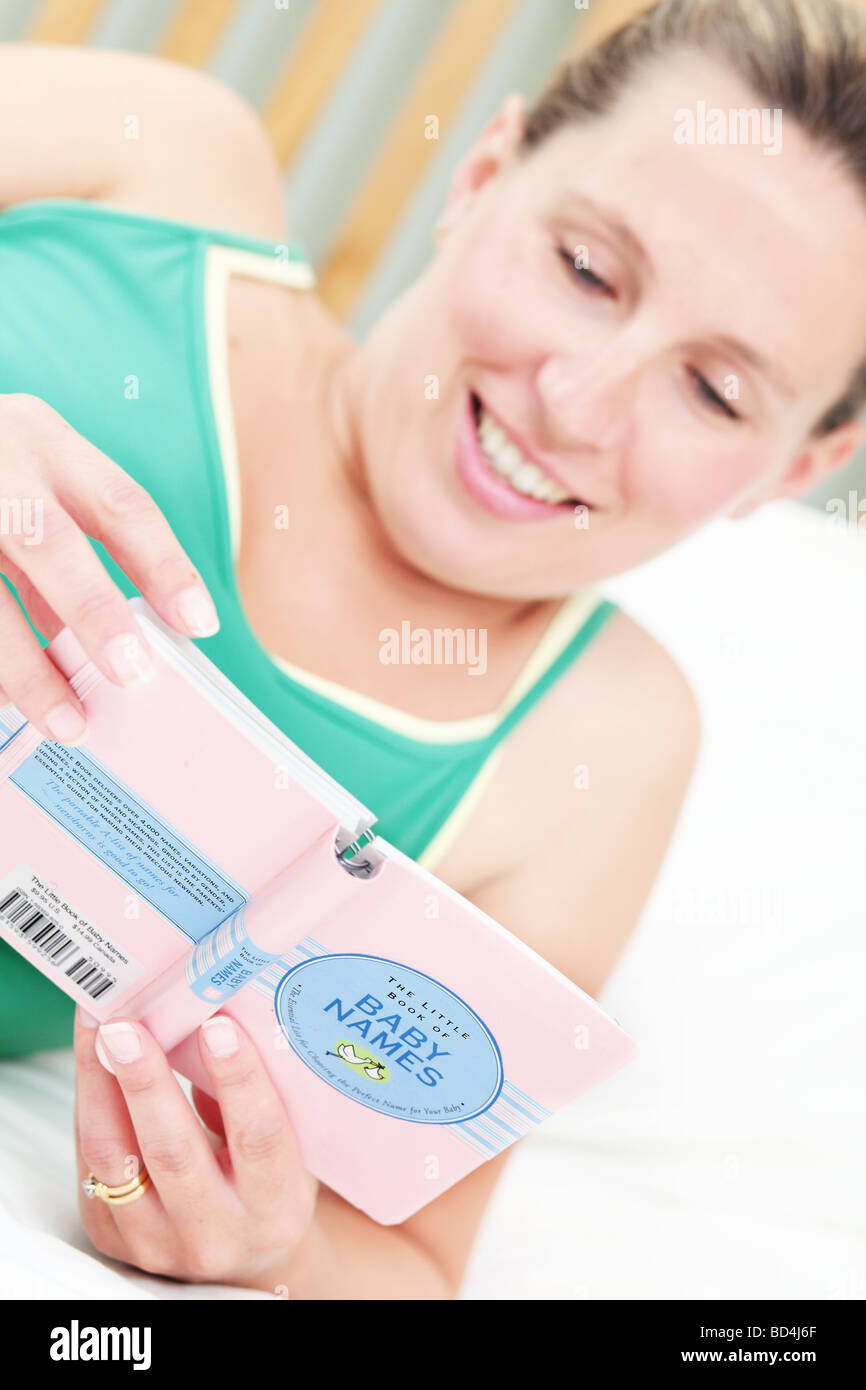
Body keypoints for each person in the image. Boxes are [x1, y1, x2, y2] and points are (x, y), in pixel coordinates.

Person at [0, 0, 863, 1297]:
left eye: (713, 391)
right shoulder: (154, 161)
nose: (576, 401)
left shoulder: (595, 745)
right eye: (583, 269)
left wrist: (262, 1241)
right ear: (479, 177)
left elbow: (401, 1261)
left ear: (795, 467)